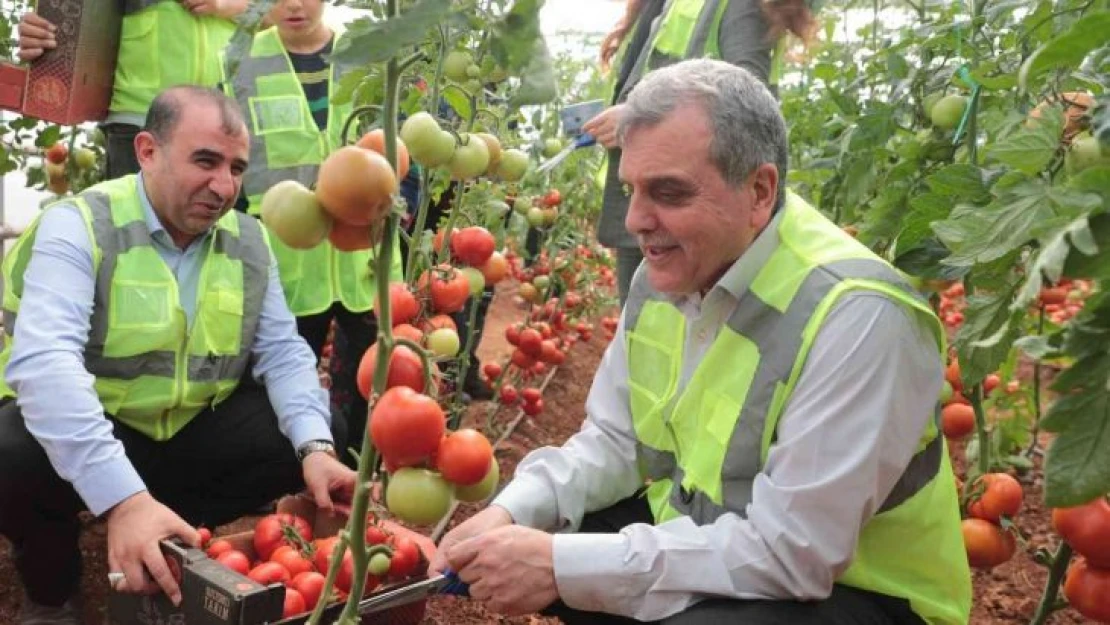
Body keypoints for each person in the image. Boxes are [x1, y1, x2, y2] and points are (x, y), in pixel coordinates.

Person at [431, 59, 972, 625]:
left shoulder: (858, 313)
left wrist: (562, 568)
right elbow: (615, 442)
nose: (637, 219)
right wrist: (513, 513)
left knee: (592, 573)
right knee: (561, 537)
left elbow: (795, 552)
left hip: (863, 593)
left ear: (760, 191)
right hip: (723, 533)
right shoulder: (670, 273)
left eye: (668, 192)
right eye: (631, 190)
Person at [0, 86, 357, 625]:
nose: (224, 187)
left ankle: (173, 534)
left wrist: (315, 448)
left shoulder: (249, 242)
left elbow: (283, 353)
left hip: (187, 432)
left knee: (317, 426)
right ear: (147, 150)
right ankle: (53, 588)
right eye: (206, 161)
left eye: (237, 168)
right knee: (9, 452)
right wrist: (122, 498)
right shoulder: (80, 225)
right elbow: (44, 364)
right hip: (93, 431)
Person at [221, 0, 403, 448]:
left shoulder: (366, 55)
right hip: (287, 255)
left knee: (371, 377)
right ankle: (285, 474)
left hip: (365, 251)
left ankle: (357, 473)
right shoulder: (239, 59)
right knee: (278, 376)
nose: (294, 5)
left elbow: (395, 148)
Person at [583, 0, 816, 304]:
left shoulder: (737, 6)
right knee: (649, 321)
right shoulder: (668, 5)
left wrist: (630, 116)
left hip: (683, 210)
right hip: (655, 197)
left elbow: (751, 104)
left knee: (679, 316)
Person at [17, 0, 247, 179]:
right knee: (137, 230)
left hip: (229, 123)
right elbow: (68, 16)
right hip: (140, 120)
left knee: (223, 234)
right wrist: (42, 34)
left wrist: (228, 5)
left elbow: (276, 11)